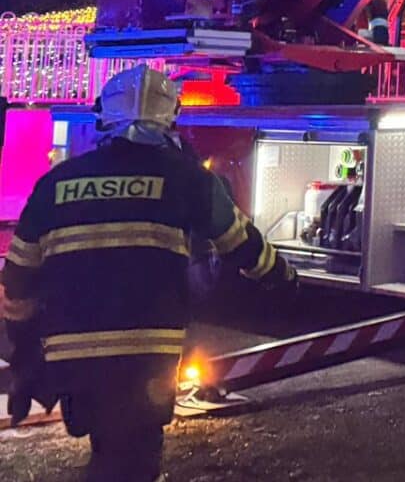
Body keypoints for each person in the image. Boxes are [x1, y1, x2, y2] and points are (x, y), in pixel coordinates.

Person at [3, 67, 295, 481]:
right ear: (170, 118)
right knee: (134, 461)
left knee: (111, 453)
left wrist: (25, 359)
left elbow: (17, 280)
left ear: (104, 117)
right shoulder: (187, 178)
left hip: (74, 356)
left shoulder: (56, 183)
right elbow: (240, 244)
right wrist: (282, 277)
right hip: (147, 355)